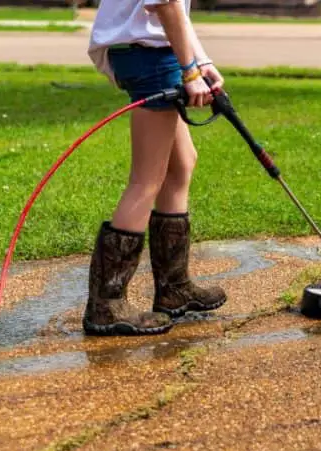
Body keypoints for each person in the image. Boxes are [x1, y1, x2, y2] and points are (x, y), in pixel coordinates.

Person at [84, 0, 227, 336]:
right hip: (150, 56)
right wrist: (190, 71)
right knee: (146, 179)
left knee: (181, 164)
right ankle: (106, 305)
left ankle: (174, 287)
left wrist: (201, 62)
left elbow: (177, 12)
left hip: (152, 52)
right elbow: (166, 5)